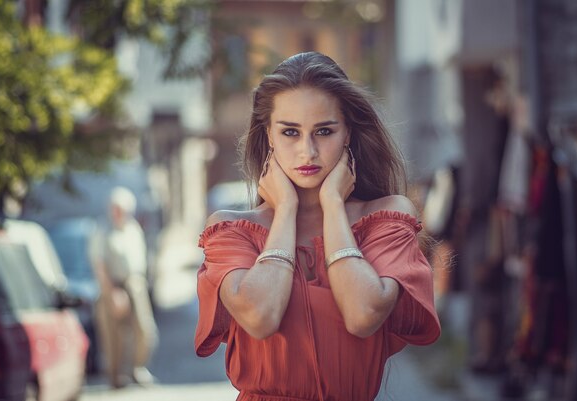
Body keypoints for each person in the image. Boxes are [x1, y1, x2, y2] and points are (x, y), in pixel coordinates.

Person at [195, 52, 441, 401]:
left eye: (324, 131)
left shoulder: (386, 218)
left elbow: (363, 314)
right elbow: (260, 316)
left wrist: (334, 205)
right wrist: (286, 211)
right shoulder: (232, 231)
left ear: (347, 134)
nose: (307, 151)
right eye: (290, 132)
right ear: (268, 136)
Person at [92, 186, 158, 388]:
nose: (118, 213)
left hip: (135, 284)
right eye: (115, 208)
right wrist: (112, 292)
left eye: (122, 209)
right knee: (113, 335)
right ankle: (115, 376)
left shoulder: (133, 228)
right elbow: (99, 265)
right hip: (113, 286)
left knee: (145, 329)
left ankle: (137, 368)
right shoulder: (102, 231)